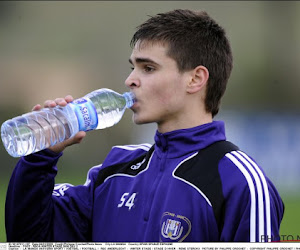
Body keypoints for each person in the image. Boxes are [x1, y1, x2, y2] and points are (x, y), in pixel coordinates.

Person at [5, 9, 284, 242]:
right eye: (132, 68)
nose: (130, 81)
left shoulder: (241, 182)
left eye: (148, 68)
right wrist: (41, 156)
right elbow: (28, 238)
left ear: (195, 79)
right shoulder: (114, 169)